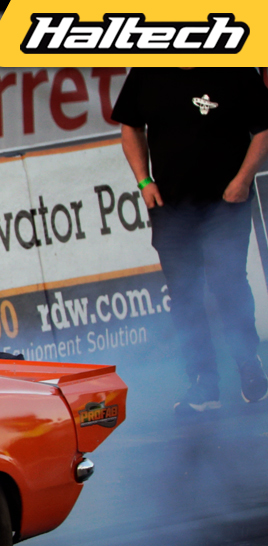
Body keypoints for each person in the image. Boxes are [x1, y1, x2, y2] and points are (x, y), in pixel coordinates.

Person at [111, 69, 268, 413]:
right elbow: (130, 126)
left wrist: (244, 179)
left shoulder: (234, 67)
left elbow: (264, 129)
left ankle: (249, 365)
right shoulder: (148, 70)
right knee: (184, 294)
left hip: (226, 202)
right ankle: (203, 383)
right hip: (171, 207)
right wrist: (143, 181)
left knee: (228, 282)